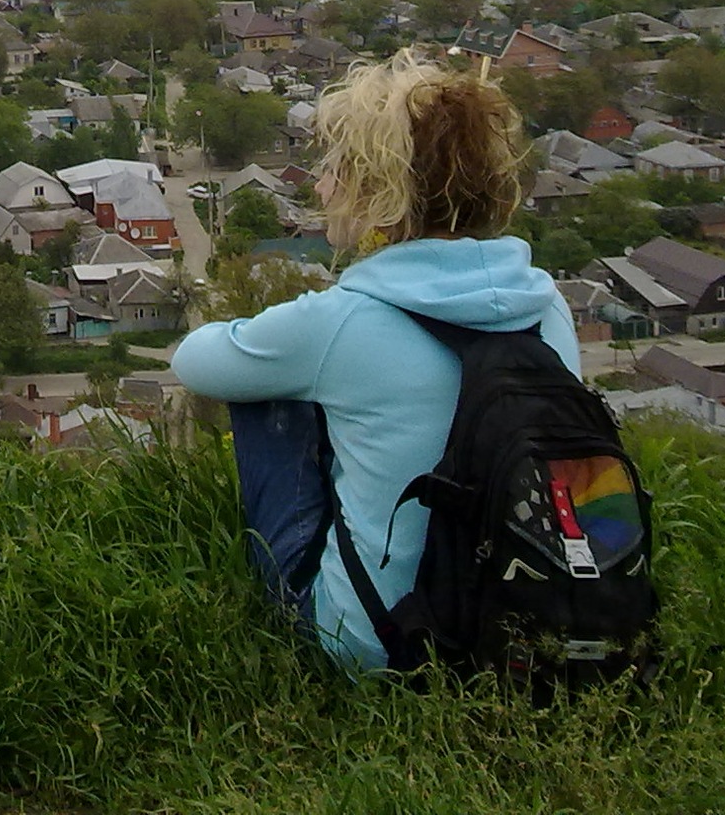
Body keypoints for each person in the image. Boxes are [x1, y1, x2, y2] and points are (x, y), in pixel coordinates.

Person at [174, 48, 578, 672]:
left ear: (378, 191)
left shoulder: (343, 321)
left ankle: (291, 612)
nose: (320, 185)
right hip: (527, 627)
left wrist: (288, 336)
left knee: (265, 388)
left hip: (380, 647)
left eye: (336, 168)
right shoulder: (548, 307)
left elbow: (196, 362)